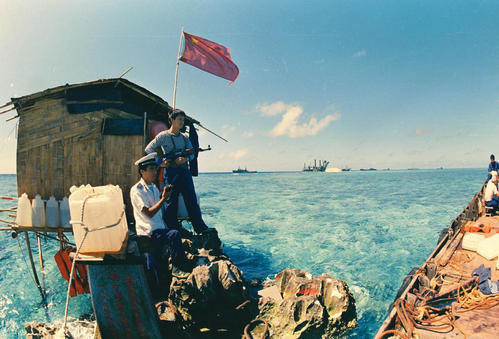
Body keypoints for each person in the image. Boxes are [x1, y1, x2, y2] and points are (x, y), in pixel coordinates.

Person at [144, 110, 210, 234]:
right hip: (171, 172)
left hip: (184, 172)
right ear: (172, 120)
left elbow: (192, 153)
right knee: (170, 202)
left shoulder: (184, 137)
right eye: (179, 119)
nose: (181, 122)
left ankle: (200, 228)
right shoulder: (163, 136)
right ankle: (172, 230)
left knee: (191, 200)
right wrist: (160, 163)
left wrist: (185, 159)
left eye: (183, 120)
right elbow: (148, 150)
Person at [130, 152, 191, 280]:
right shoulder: (137, 190)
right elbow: (149, 213)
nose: (155, 172)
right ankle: (177, 268)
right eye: (151, 169)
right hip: (148, 233)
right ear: (142, 171)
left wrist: (165, 197)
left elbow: (160, 213)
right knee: (174, 235)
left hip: (158, 230)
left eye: (155, 169)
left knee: (156, 265)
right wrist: (163, 199)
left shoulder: (153, 188)